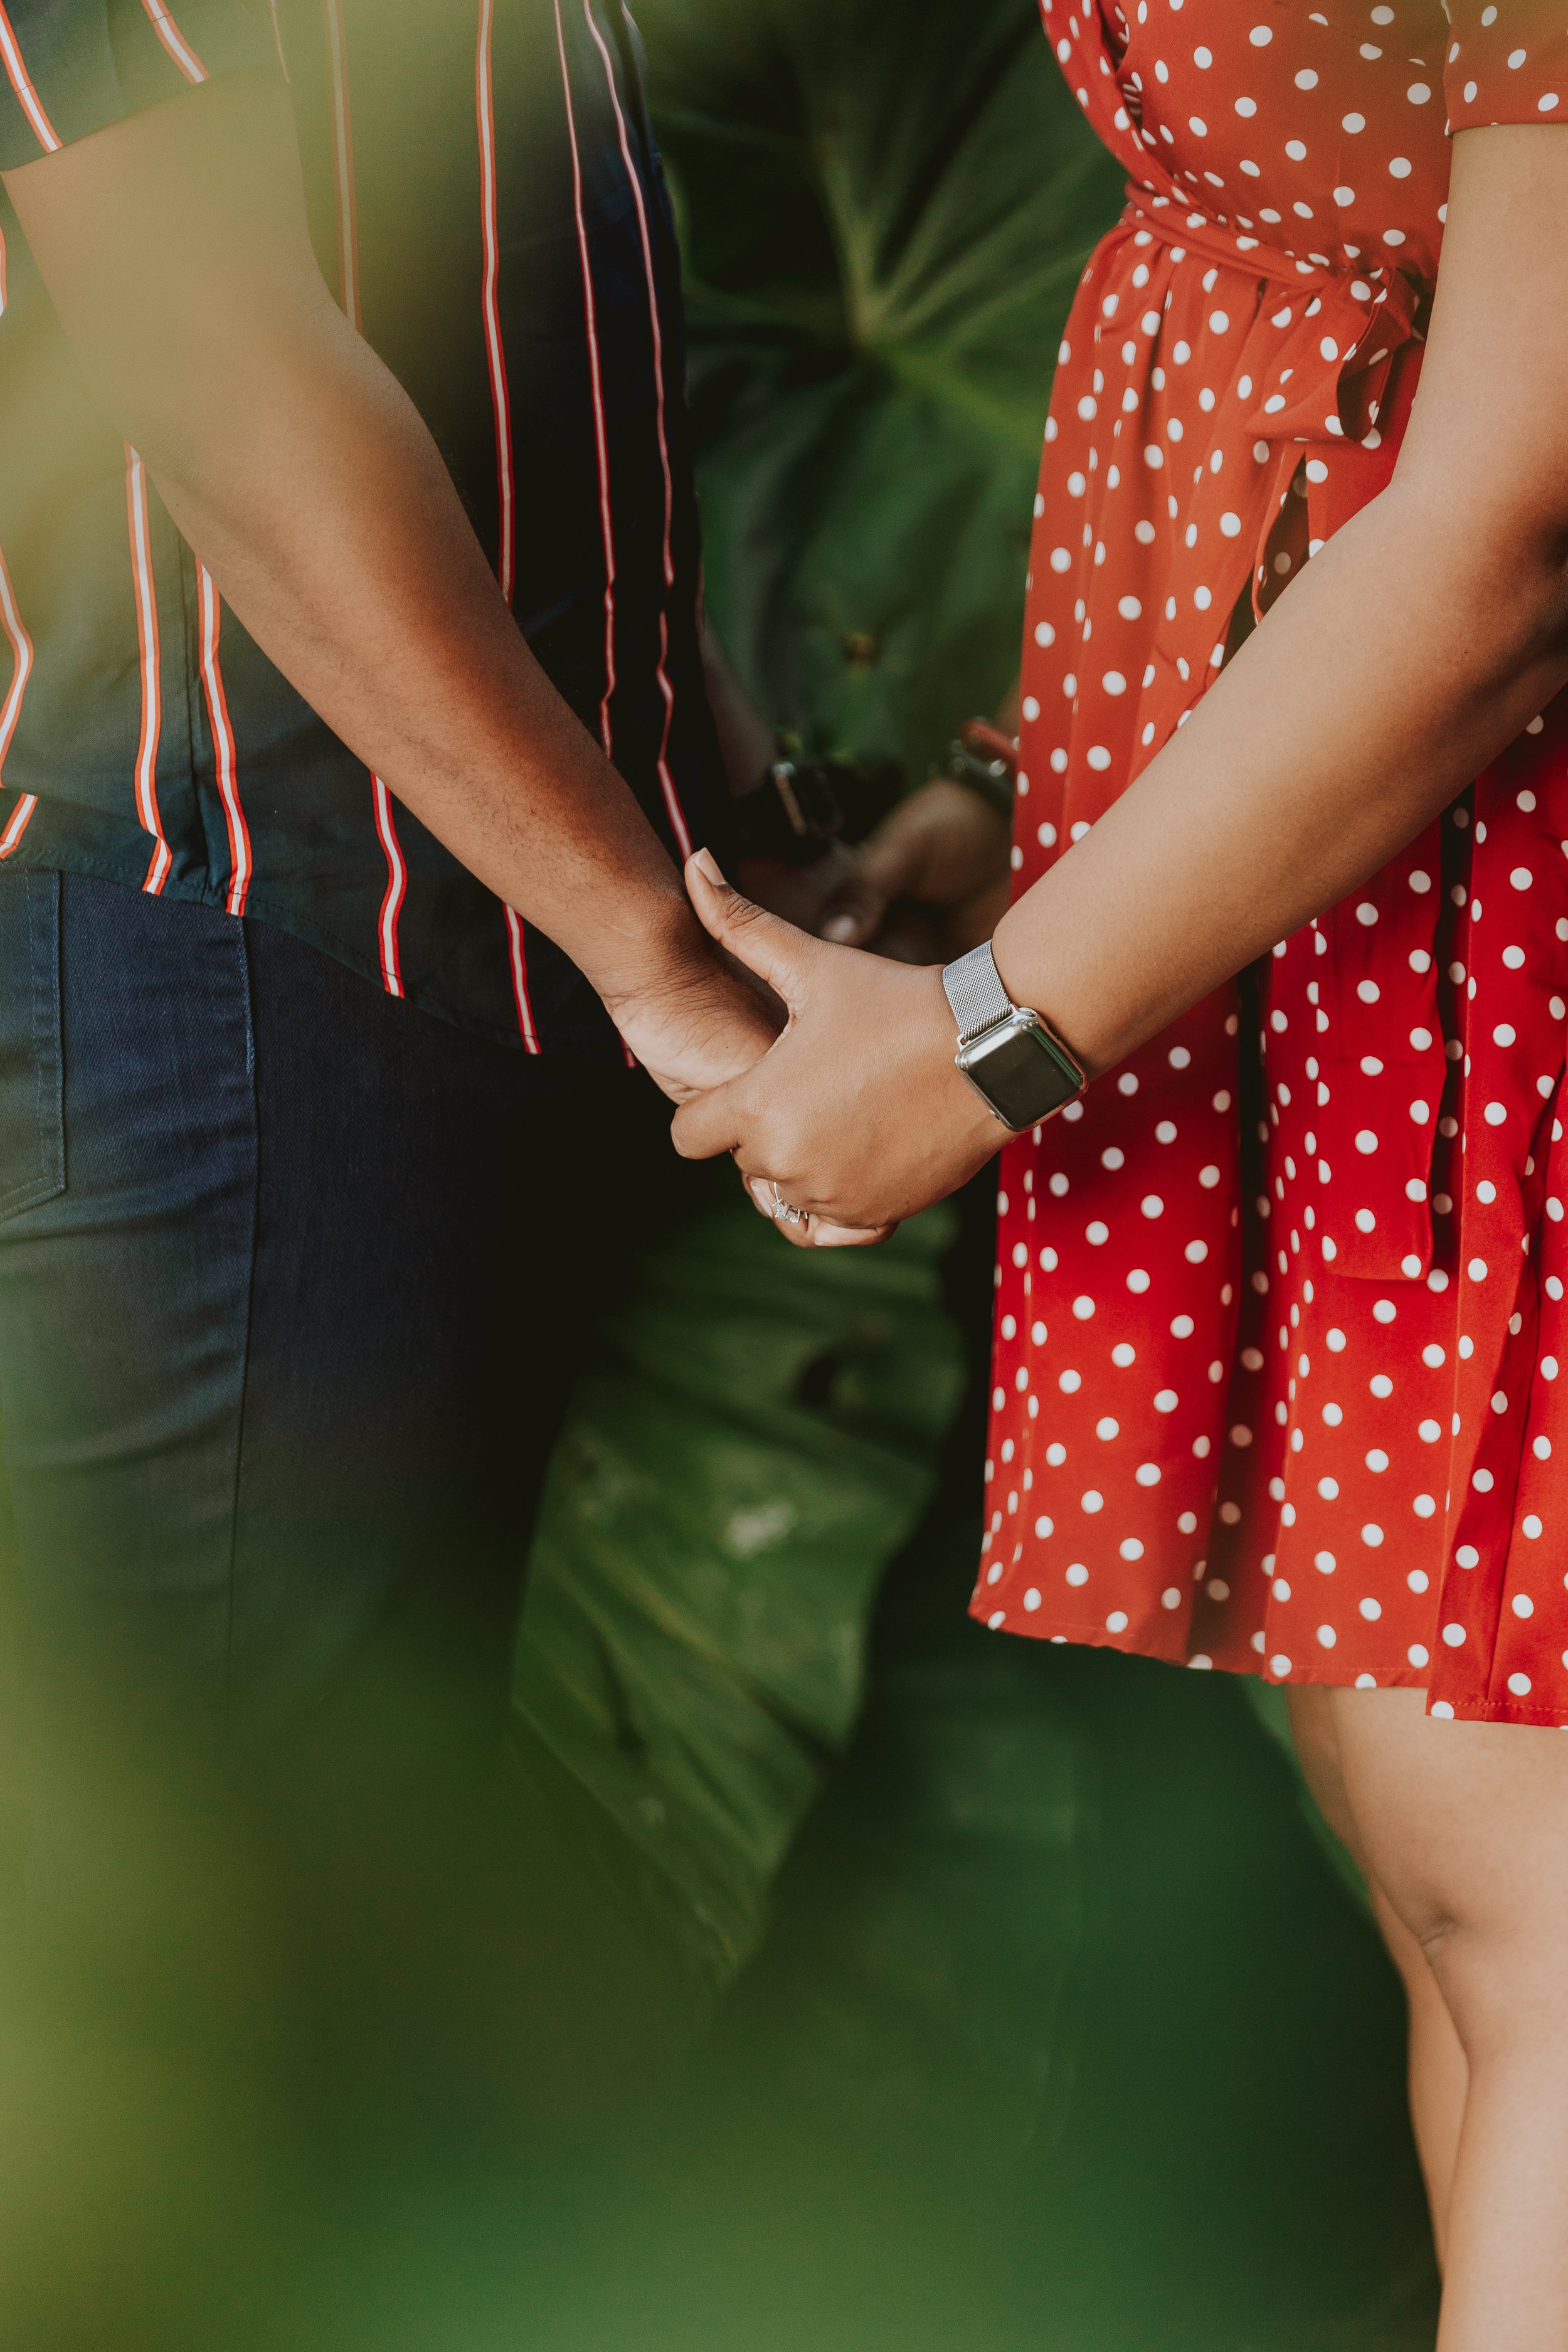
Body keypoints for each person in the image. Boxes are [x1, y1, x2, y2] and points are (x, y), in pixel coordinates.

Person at [672, 7, 1568, 2343]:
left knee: (1540, 1904)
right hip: (1345, 917)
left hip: (1508, 913)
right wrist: (1052, 818)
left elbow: (1507, 521)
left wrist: (991, 1037)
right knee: (1448, 1907)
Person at [0, 0, 782, 1833]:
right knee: (237, 1925)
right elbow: (212, 371)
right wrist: (650, 943)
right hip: (243, 966)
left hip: (464, 952)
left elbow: (546, 402)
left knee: (359, 1885)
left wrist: (743, 829)